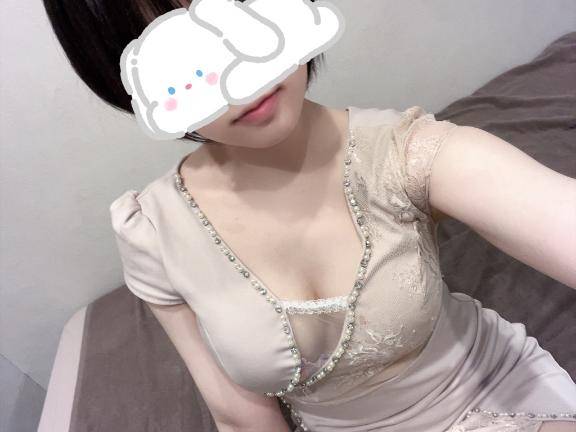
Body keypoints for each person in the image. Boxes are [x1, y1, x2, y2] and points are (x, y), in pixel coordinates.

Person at [42, 0, 576, 430]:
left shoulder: (413, 154)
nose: (238, 78)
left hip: (491, 398)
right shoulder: (150, 231)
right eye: (180, 55)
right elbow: (239, 416)